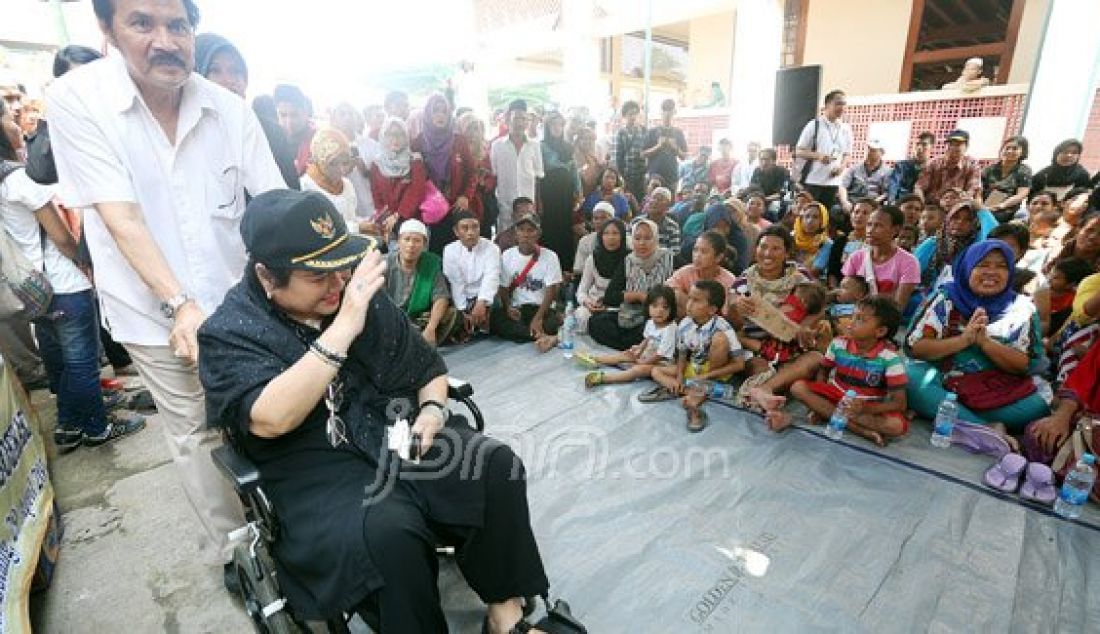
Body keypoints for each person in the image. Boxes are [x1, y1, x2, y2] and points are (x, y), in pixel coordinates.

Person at [197, 190, 567, 633]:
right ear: (267, 276)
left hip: (392, 429)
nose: (337, 286)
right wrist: (345, 325)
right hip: (314, 465)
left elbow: (427, 367)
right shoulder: (230, 332)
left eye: (342, 269)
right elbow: (271, 417)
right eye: (319, 278)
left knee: (495, 465)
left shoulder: (355, 297)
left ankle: (505, 615)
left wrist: (431, 409)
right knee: (390, 532)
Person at [46, 0, 285, 585]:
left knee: (265, 416)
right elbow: (120, 216)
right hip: (154, 316)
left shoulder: (227, 108)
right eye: (142, 23)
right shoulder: (79, 99)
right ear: (107, 30)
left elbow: (275, 202)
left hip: (240, 307)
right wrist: (179, 305)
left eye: (177, 25)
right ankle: (241, 550)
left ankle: (289, 520)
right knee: (198, 431)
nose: (165, 40)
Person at [2, 150, 146, 451]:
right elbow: (62, 237)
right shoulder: (19, 179)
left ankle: (69, 426)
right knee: (81, 363)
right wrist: (84, 264)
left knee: (64, 364)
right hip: (62, 282)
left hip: (30, 288)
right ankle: (97, 428)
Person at [905, 240, 1050, 433]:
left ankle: (944, 413)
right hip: (942, 380)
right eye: (982, 265)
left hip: (991, 391)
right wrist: (963, 340)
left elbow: (1026, 365)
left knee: (1036, 406)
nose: (991, 272)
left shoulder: (1022, 309)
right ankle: (984, 429)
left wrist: (986, 343)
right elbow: (915, 347)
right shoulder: (946, 297)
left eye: (1001, 266)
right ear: (967, 268)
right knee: (911, 379)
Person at [768, 296, 908, 445]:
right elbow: (824, 370)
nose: (851, 322)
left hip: (866, 404)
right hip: (836, 395)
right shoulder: (839, 343)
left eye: (860, 319)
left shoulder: (890, 358)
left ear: (880, 331)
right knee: (797, 388)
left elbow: (899, 404)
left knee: (896, 426)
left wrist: (865, 409)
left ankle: (827, 413)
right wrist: (821, 391)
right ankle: (859, 430)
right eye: (853, 316)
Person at [194, 33, 299, 190]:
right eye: (215, 70)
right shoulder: (187, 134)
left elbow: (290, 199)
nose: (230, 81)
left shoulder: (270, 134)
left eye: (236, 71)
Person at [648, 280, 746, 432]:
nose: (689, 304)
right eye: (689, 298)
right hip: (694, 369)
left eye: (696, 300)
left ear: (712, 309)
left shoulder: (723, 328)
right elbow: (682, 353)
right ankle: (682, 388)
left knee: (719, 340)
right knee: (655, 371)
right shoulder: (685, 324)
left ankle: (693, 400)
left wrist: (707, 375)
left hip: (715, 372)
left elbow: (740, 364)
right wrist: (680, 374)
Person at [589, 219, 677, 350]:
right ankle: (634, 347)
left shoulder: (670, 259)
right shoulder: (628, 261)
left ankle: (636, 346)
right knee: (596, 322)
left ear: (656, 239)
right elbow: (610, 297)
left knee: (652, 329)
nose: (642, 243)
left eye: (647, 238)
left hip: (659, 317)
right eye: (637, 238)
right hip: (630, 314)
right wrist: (637, 296)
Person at [412, 93, 476, 255]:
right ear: (428, 114)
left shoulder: (458, 140)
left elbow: (472, 172)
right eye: (435, 111)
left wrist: (466, 196)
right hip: (430, 208)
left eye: (444, 111)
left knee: (457, 252)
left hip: (455, 206)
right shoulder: (419, 142)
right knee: (434, 251)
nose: (440, 115)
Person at [491, 213, 563, 352]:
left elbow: (551, 290)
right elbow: (504, 287)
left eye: (530, 230)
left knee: (550, 323)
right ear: (515, 233)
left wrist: (538, 318)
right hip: (519, 309)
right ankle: (539, 335)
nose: (525, 234)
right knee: (496, 319)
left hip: (542, 309)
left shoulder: (550, 256)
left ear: (538, 234)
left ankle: (532, 333)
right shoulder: (507, 255)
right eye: (521, 230)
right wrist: (508, 307)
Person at [583, 284, 677, 388]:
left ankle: (605, 378)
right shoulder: (651, 322)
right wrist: (639, 349)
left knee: (637, 370)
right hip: (648, 356)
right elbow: (647, 339)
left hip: (662, 364)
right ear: (648, 307)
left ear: (671, 309)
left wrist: (644, 363)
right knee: (626, 354)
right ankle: (596, 359)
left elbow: (660, 355)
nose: (660, 311)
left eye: (665, 307)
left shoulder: (670, 329)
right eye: (655, 306)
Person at [384, 219, 460, 346]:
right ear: (398, 241)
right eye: (406, 239)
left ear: (424, 244)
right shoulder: (383, 264)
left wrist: (431, 328)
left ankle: (418, 340)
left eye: (417, 240)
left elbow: (441, 297)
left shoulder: (431, 263)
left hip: (417, 318)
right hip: (390, 319)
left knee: (451, 314)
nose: (411, 245)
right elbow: (378, 302)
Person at [840, 204, 920, 310]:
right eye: (869, 224)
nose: (870, 230)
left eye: (878, 226)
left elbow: (898, 308)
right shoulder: (856, 257)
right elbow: (844, 295)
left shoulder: (909, 262)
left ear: (896, 230)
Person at [369, 117, 427, 245]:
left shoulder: (415, 160)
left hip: (412, 221)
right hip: (388, 222)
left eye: (400, 134)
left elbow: (417, 191)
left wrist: (398, 215)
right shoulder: (377, 163)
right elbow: (376, 193)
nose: (395, 139)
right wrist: (386, 216)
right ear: (383, 136)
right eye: (390, 134)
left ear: (406, 136)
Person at [491, 100, 544, 237]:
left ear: (527, 122)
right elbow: (494, 177)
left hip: (528, 207)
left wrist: (537, 205)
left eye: (523, 119)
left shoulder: (535, 146)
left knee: (527, 241)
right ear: (508, 119)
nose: (519, 123)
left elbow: (538, 177)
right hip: (506, 206)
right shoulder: (497, 146)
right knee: (505, 241)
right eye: (516, 118)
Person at [442, 211, 499, 337]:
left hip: (486, 297)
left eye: (475, 227)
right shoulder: (450, 250)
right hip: (461, 299)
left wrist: (481, 303)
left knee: (497, 319)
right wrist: (463, 311)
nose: (470, 232)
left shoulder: (492, 248)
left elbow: (491, 278)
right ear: (456, 231)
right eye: (465, 228)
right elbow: (456, 283)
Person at [794, 89, 852, 210]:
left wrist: (841, 167)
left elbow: (847, 154)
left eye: (844, 104)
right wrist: (819, 156)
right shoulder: (814, 125)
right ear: (827, 105)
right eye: (838, 103)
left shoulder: (845, 129)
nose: (841, 107)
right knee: (809, 215)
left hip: (833, 182)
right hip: (812, 181)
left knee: (826, 217)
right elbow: (798, 151)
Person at [300, 129, 361, 233]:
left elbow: (351, 219)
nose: (342, 170)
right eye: (333, 163)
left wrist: (368, 224)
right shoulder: (305, 187)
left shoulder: (347, 184)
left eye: (345, 162)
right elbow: (320, 231)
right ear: (319, 160)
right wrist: (358, 227)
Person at [665, 231, 737, 318]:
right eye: (695, 250)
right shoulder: (686, 271)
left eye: (704, 252)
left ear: (718, 257)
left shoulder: (730, 281)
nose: (697, 256)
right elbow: (666, 289)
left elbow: (724, 314)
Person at [575, 219, 628, 334]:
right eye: (606, 233)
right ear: (601, 236)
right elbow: (581, 291)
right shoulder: (593, 258)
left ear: (622, 236)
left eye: (615, 233)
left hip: (619, 307)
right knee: (581, 315)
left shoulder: (630, 259)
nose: (610, 238)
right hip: (595, 304)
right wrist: (587, 303)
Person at [330, 102, 378, 224]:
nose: (347, 117)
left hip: (370, 204)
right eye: (342, 114)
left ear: (357, 118)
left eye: (350, 113)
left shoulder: (371, 144)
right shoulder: (327, 148)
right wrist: (342, 171)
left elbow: (382, 176)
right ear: (334, 120)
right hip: (342, 209)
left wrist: (366, 171)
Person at [915, 130, 981, 204]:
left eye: (957, 145)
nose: (952, 148)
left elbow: (974, 190)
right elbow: (919, 187)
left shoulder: (972, 165)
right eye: (950, 144)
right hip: (934, 207)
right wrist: (921, 205)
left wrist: (962, 200)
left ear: (966, 147)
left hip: (958, 207)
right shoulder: (933, 164)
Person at [981, 135, 1032, 223]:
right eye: (1007, 148)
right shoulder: (989, 169)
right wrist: (981, 206)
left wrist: (1002, 205)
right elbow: (979, 191)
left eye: (1015, 149)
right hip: (985, 205)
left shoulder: (1024, 170)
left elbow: (1021, 194)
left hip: (1008, 208)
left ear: (1022, 152)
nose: (1010, 151)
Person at [643, 99, 687, 196]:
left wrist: (675, 148)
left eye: (670, 110)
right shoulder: (652, 131)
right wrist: (658, 146)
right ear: (661, 112)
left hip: (671, 175)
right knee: (652, 201)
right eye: (665, 110)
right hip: (654, 175)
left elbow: (684, 156)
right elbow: (643, 153)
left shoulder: (678, 132)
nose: (667, 113)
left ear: (674, 112)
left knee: (670, 205)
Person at [273, 83, 315, 175]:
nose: (289, 122)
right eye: (283, 115)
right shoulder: (272, 140)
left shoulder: (318, 141)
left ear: (305, 113)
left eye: (294, 115)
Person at [838, 139, 892, 211]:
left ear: (882, 153)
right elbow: (843, 186)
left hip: (872, 203)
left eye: (874, 150)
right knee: (836, 210)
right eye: (869, 149)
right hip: (852, 202)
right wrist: (845, 202)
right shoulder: (855, 168)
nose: (870, 152)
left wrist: (873, 203)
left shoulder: (887, 171)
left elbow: (886, 193)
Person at [615, 100, 647, 204]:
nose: (633, 116)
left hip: (642, 174)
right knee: (628, 201)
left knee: (642, 201)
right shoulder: (621, 133)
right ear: (624, 116)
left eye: (635, 113)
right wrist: (622, 176)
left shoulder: (644, 130)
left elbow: (648, 151)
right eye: (630, 114)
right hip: (628, 175)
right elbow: (618, 157)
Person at [887, 132, 935, 202]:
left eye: (924, 145)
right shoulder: (901, 166)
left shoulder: (933, 168)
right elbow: (893, 186)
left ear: (932, 148)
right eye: (918, 144)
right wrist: (891, 201)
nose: (919, 148)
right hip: (901, 203)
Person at [633, 186, 681, 251]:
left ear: (667, 206)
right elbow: (629, 246)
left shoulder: (672, 227)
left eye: (660, 199)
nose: (655, 202)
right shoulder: (636, 222)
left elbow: (675, 252)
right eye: (653, 198)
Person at [574, 201, 615, 276]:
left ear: (613, 220)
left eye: (603, 218)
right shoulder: (585, 241)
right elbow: (578, 270)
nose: (599, 222)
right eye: (596, 218)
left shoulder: (626, 240)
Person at [749, 149, 789, 218]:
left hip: (775, 199)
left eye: (767, 160)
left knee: (774, 207)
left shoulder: (782, 171)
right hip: (759, 199)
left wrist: (765, 200)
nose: (764, 162)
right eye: (761, 159)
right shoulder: (757, 170)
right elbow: (752, 188)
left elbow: (782, 193)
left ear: (774, 161)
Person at [792, 202, 831, 273]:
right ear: (801, 219)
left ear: (822, 221)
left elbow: (815, 271)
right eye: (806, 216)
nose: (810, 221)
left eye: (815, 217)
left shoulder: (826, 243)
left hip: (810, 281)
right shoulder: (791, 237)